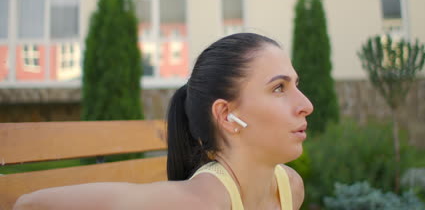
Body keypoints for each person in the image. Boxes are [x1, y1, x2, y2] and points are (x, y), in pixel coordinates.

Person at [13, 33, 313, 210]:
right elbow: (28, 204)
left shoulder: (289, 187)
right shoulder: (198, 203)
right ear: (227, 116)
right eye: (278, 88)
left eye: (296, 85)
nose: (306, 105)